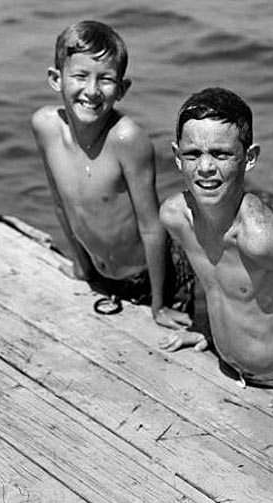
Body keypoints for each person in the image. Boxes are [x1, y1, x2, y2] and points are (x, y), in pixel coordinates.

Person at [158, 87, 273, 416]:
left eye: (220, 154)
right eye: (193, 154)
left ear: (249, 158)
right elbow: (218, 281)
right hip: (235, 370)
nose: (204, 167)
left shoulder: (259, 236)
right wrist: (207, 328)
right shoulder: (175, 217)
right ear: (177, 155)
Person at [31, 20, 192, 328]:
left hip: (155, 276)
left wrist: (159, 305)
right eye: (80, 76)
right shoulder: (45, 127)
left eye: (105, 80)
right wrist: (84, 268)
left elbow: (150, 226)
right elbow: (60, 203)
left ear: (122, 89)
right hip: (101, 274)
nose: (91, 91)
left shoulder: (127, 139)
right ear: (56, 79)